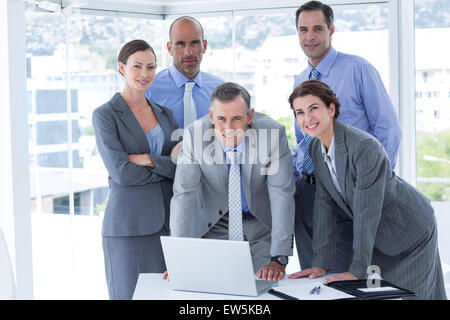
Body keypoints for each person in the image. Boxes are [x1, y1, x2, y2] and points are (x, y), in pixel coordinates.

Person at [287, 80, 446, 300]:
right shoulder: (315, 147)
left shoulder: (363, 146)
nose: (307, 118)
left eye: (314, 108)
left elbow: (366, 213)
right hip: (382, 235)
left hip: (410, 229)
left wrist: (357, 271)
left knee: (415, 296)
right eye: (300, 112)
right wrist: (321, 264)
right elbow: (324, 205)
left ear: (331, 109)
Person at [292, 0, 402, 272]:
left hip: (349, 190)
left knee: (344, 275)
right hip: (307, 191)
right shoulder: (300, 79)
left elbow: (388, 129)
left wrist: (373, 184)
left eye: (317, 28)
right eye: (303, 29)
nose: (310, 36)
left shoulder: (357, 69)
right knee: (313, 274)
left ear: (331, 30)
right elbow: (303, 138)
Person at [169, 82, 295, 281]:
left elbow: (282, 194)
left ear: (249, 116)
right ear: (211, 116)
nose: (229, 128)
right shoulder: (194, 135)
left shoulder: (272, 134)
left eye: (237, 119)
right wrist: (178, 256)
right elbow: (184, 194)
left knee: (261, 289)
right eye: (221, 119)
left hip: (260, 224)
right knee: (213, 288)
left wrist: (278, 258)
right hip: (214, 224)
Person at [92, 40, 182, 299]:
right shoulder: (105, 115)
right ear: (122, 67)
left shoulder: (165, 114)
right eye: (137, 66)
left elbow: (181, 167)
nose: (145, 74)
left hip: (167, 223)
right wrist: (163, 162)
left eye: (151, 67)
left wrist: (146, 158)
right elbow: (122, 173)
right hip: (128, 226)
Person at [146, 16, 224, 129]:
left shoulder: (221, 89)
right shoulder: (149, 90)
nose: (188, 52)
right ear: (169, 48)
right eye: (180, 44)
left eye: (195, 43)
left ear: (205, 46)